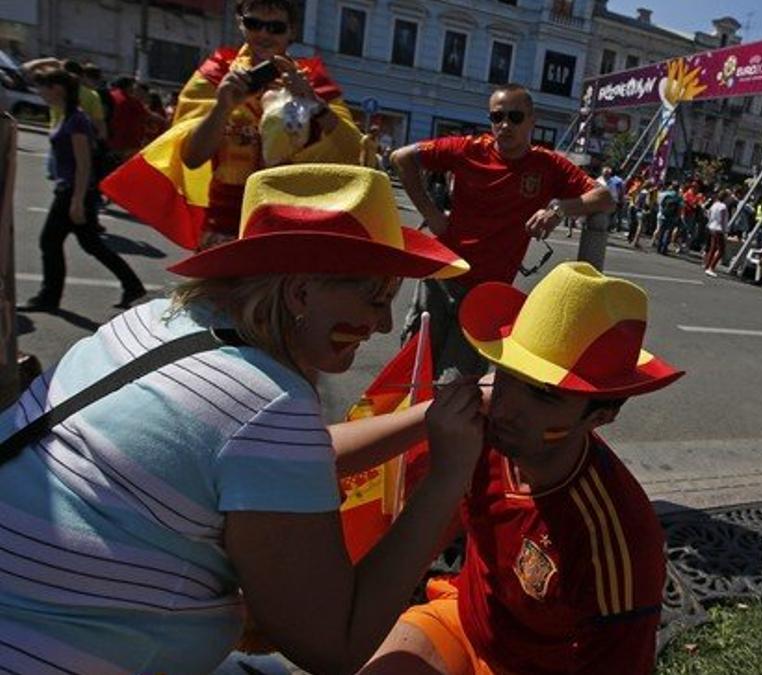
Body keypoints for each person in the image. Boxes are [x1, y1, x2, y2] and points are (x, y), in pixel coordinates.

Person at [0, 164, 478, 672]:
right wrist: (447, 478)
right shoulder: (269, 402)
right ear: (299, 293)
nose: (382, 323)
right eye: (375, 298)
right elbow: (335, 644)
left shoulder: (153, 320)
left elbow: (273, 460)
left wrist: (426, 417)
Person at [361, 262, 684, 675]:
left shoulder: (615, 536)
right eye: (508, 374)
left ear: (600, 417)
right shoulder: (479, 435)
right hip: (460, 619)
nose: (508, 408)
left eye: (544, 396)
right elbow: (425, 535)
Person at [390, 83, 613, 379]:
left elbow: (604, 197)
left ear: (532, 120)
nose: (505, 125)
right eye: (497, 117)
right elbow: (401, 157)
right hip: (441, 277)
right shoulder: (468, 149)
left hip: (486, 295)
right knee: (412, 372)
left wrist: (559, 209)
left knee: (456, 385)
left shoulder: (547, 165)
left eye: (515, 117)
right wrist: (431, 214)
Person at [101, 0, 362, 251]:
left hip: (289, 223)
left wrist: (314, 103)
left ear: (292, 31)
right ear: (241, 22)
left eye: (276, 27)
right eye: (254, 23)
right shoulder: (216, 74)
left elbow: (355, 153)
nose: (263, 34)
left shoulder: (312, 80)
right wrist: (222, 107)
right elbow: (192, 158)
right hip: (225, 226)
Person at [19, 68, 145, 312]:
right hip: (70, 189)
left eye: (43, 87)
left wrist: (77, 200)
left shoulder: (77, 119)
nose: (40, 93)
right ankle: (132, 285)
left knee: (50, 242)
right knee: (90, 244)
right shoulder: (64, 114)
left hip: (74, 191)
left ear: (57, 89)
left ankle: (49, 297)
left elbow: (83, 162)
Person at [703, 188, 731, 277]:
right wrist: (724, 231)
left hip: (712, 227)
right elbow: (723, 220)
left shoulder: (714, 205)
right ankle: (711, 267)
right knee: (721, 250)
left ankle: (707, 265)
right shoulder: (723, 207)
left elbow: (709, 214)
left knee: (713, 248)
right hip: (719, 229)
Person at [655, 181, 683, 255]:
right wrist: (678, 216)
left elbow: (662, 204)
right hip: (672, 217)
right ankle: (664, 249)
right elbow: (680, 208)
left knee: (662, 231)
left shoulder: (667, 195)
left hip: (664, 215)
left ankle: (658, 247)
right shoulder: (678, 197)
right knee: (668, 232)